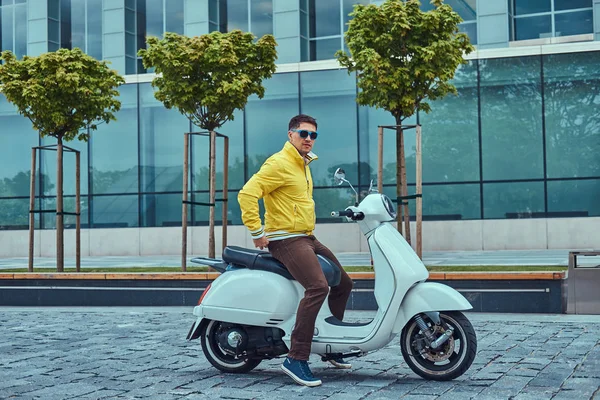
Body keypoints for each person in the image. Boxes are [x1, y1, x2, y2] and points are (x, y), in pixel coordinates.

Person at [238, 114, 354, 387]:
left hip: (306, 236)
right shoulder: (279, 163)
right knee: (317, 287)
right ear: (291, 134)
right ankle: (296, 357)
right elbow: (247, 193)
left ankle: (329, 344)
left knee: (344, 283)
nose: (309, 139)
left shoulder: (304, 164)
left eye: (314, 135)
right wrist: (257, 233)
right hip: (285, 239)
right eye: (304, 133)